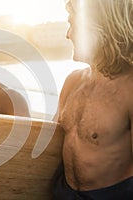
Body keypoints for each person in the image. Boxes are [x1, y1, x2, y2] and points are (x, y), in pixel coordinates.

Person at [53, 0, 133, 199]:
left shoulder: (129, 88)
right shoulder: (72, 82)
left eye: (73, 24)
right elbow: (51, 146)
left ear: (98, 29)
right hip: (64, 192)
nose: (68, 34)